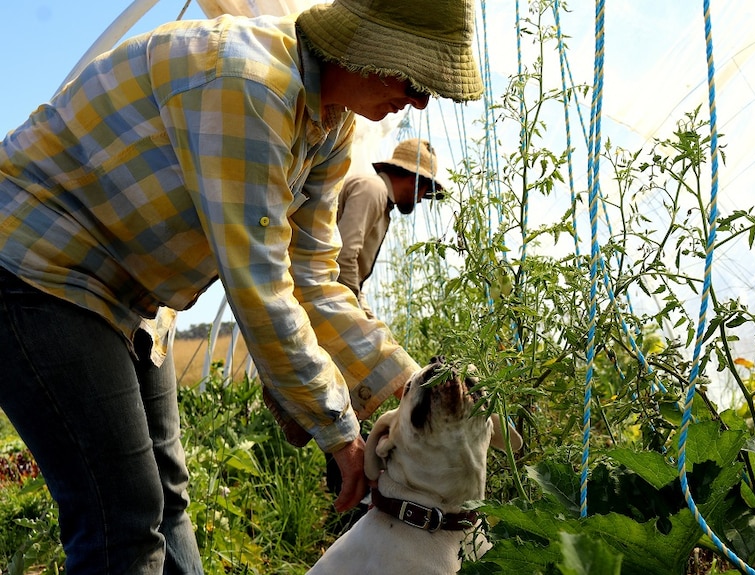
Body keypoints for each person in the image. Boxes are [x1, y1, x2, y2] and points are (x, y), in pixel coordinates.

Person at [0, 0, 482, 571]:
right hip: (41, 266)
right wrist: (339, 430)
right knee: (123, 516)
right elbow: (261, 287)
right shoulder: (252, 86)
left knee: (166, 494)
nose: (419, 100)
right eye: (414, 78)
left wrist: (410, 383)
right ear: (369, 47)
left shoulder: (330, 124)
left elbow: (314, 277)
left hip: (132, 293)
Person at [336, 138, 445, 318]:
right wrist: (357, 315)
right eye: (424, 191)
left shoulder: (380, 199)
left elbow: (355, 273)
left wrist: (369, 317)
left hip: (336, 295)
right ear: (414, 180)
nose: (420, 199)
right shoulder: (373, 190)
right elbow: (344, 256)